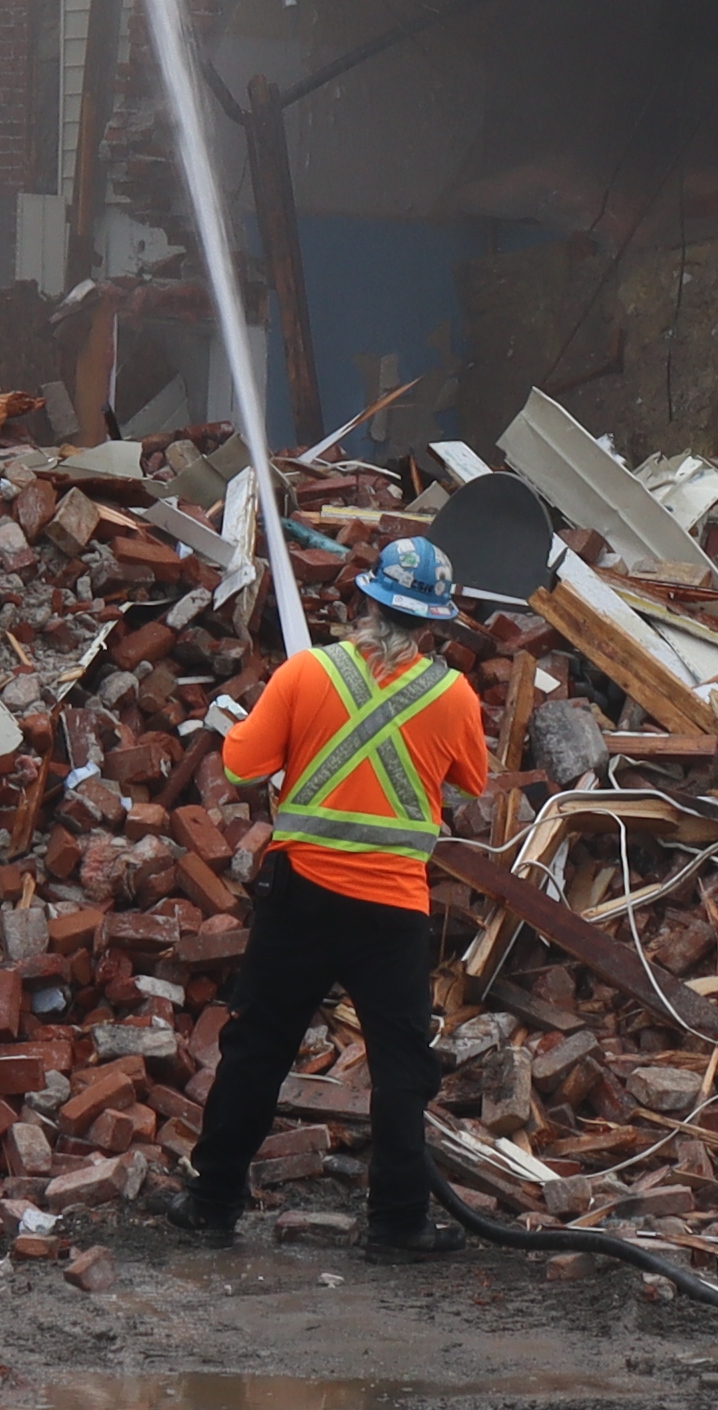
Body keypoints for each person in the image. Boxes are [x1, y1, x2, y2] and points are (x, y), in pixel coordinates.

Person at [171, 532, 493, 1259]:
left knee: (257, 1048)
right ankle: (398, 1226)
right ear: (436, 624)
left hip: (302, 899)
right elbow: (472, 780)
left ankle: (212, 1203)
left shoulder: (306, 673)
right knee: (401, 1066)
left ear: (366, 600)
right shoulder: (454, 695)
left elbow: (245, 764)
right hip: (392, 910)